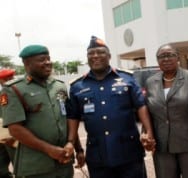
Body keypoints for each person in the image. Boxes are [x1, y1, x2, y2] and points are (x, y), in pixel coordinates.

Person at [66, 36, 155, 178]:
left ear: (109, 56)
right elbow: (73, 117)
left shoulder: (127, 78)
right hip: (97, 155)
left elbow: (140, 105)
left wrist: (148, 132)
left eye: (100, 52)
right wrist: (74, 145)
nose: (95, 56)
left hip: (129, 152)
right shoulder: (77, 86)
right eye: (91, 53)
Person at [1, 44, 74, 178]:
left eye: (48, 58)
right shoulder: (13, 89)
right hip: (36, 167)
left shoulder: (59, 86)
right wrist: (49, 149)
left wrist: (73, 144)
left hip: (64, 162)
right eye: (42, 60)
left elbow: (68, 117)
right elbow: (15, 129)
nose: (47, 63)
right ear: (27, 64)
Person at [144, 43, 188, 178]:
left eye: (170, 55)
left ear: (178, 58)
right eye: (161, 56)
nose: (165, 59)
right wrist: (147, 133)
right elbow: (149, 111)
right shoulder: (150, 82)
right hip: (163, 149)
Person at [0, 69, 16, 178]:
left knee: (19, 164)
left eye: (11, 78)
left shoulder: (15, 93)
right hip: (2, 136)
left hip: (13, 136)